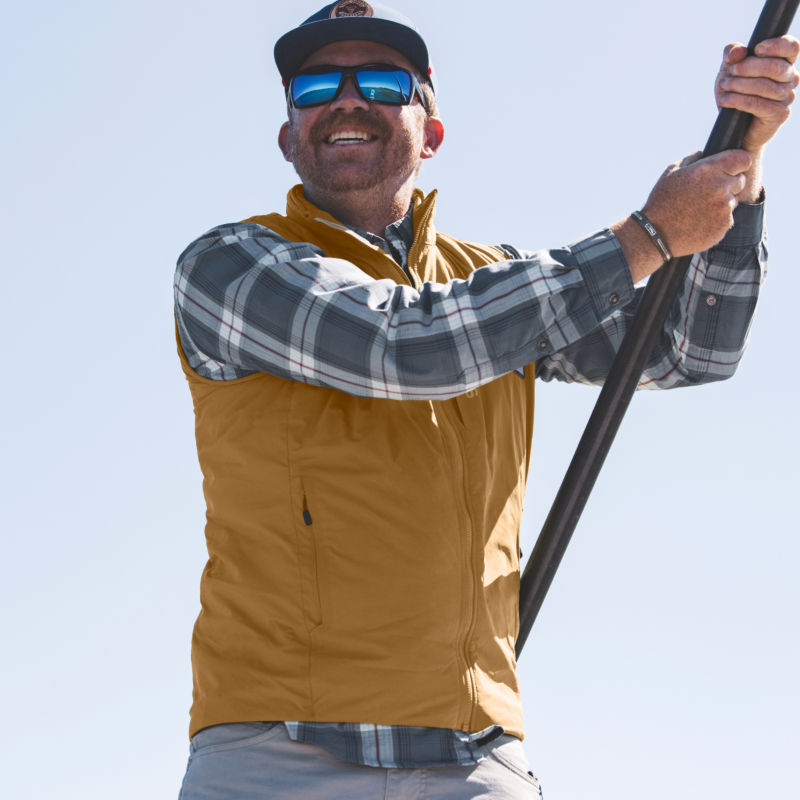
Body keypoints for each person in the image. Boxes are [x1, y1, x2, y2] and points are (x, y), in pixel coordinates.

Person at [173, 2, 799, 798]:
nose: (346, 98)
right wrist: (644, 235)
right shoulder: (230, 265)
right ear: (291, 137)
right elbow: (404, 345)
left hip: (473, 755)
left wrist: (738, 160)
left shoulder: (496, 286)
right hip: (276, 753)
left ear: (430, 133)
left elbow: (689, 349)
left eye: (383, 82)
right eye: (317, 85)